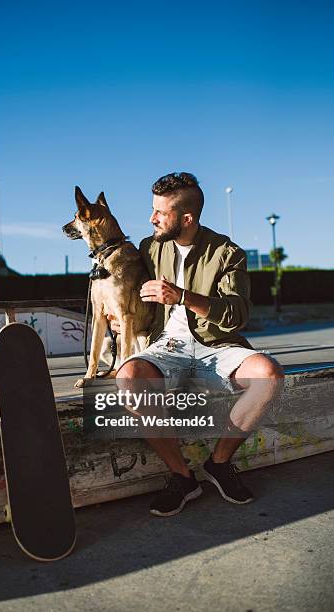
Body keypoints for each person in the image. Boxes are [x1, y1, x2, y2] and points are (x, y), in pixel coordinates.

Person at [110, 172, 284, 517]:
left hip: (217, 344)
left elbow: (237, 313)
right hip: (168, 347)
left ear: (186, 218)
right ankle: (182, 476)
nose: (152, 218)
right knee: (128, 379)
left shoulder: (226, 252)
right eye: (152, 210)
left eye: (160, 212)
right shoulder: (150, 247)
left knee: (270, 376)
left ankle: (219, 464)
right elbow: (119, 273)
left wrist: (183, 297)